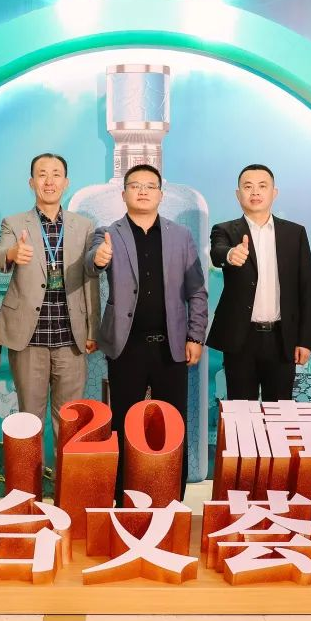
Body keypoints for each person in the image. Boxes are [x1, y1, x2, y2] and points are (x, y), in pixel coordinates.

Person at [87, 163, 208, 501]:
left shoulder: (181, 236)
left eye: (150, 186)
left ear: (160, 194)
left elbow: (197, 291)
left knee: (173, 424)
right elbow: (91, 262)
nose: (142, 191)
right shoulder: (108, 233)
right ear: (124, 193)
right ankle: (124, 495)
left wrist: (195, 336)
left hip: (172, 346)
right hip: (127, 347)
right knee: (124, 423)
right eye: (135, 185)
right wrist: (99, 257)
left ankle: (173, 496)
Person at [0, 153, 100, 439]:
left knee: (70, 421)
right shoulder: (14, 223)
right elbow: (0, 257)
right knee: (29, 419)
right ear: (32, 182)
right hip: (29, 338)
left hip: (71, 337)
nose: (49, 181)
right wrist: (13, 253)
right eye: (42, 174)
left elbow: (90, 278)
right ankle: (31, 471)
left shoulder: (84, 226)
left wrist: (93, 329)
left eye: (56, 174)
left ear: (66, 182)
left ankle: (66, 470)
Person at [206, 164, 311, 401]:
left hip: (282, 338)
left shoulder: (295, 233)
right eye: (248, 187)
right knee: (241, 410)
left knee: (279, 411)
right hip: (241, 338)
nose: (255, 192)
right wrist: (231, 254)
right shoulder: (225, 230)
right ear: (238, 194)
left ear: (274, 193)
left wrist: (305, 340)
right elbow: (217, 252)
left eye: (262, 186)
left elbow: (307, 290)